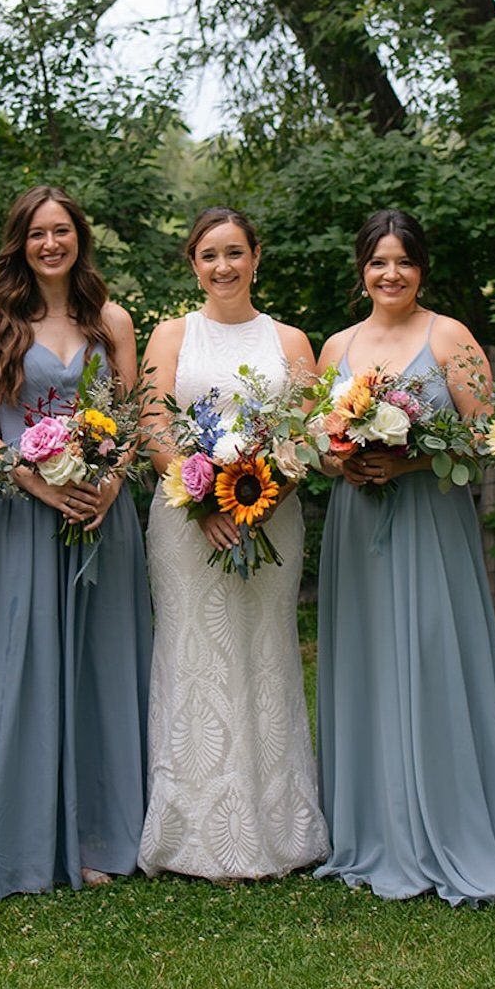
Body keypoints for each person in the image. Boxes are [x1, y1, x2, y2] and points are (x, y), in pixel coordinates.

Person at [313, 209, 495, 904]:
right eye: (378, 262)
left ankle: (450, 821)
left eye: (403, 262)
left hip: (430, 521)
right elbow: (319, 447)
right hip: (359, 524)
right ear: (362, 270)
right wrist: (344, 461)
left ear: (421, 269)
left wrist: (409, 462)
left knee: (434, 657)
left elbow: (491, 437)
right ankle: (373, 825)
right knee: (368, 661)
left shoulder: (451, 337)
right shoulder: (336, 346)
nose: (390, 274)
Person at [0, 186, 151, 898]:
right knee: (20, 669)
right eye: (37, 233)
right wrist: (35, 482)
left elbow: (131, 418)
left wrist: (114, 484)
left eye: (62, 231)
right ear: (20, 242)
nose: (51, 244)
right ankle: (24, 839)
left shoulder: (112, 319)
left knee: (102, 667)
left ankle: (101, 835)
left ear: (79, 239)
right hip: (20, 512)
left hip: (100, 513)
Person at [138, 207, 329, 881]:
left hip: (268, 517)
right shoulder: (170, 335)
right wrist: (199, 502)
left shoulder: (291, 340)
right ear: (194, 265)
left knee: (265, 651)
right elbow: (154, 424)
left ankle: (280, 827)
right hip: (187, 520)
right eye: (209, 255)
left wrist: (261, 491)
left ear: (256, 257)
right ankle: (189, 833)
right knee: (194, 654)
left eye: (235, 253)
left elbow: (308, 431)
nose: (223, 266)